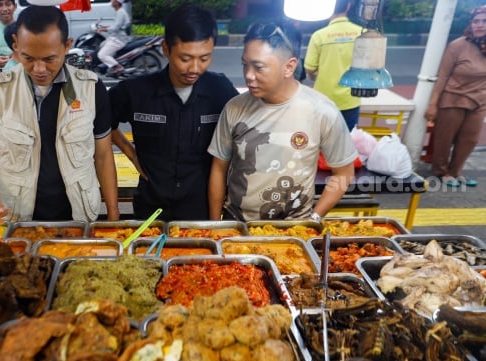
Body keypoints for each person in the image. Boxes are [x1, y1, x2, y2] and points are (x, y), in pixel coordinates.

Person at [0, 5, 119, 222]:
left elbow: (103, 157)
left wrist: (113, 217)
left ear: (67, 46)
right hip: (16, 218)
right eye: (28, 58)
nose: (39, 69)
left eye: (49, 59)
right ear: (16, 46)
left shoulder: (91, 89)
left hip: (79, 218)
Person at [208, 22, 358, 222]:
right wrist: (214, 226)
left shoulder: (322, 112)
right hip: (236, 225)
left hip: (293, 231)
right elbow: (219, 168)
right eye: (245, 64)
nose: (248, 76)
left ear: (289, 67)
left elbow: (344, 173)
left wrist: (313, 219)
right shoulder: (234, 108)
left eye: (258, 67)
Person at [108, 4, 239, 221]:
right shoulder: (135, 91)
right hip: (150, 208)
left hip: (200, 207)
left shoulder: (220, 90)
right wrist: (130, 153)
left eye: (205, 58)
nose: (195, 68)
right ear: (166, 49)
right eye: (185, 59)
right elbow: (102, 123)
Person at [424, 5, 486, 188]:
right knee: (445, 138)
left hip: (479, 101)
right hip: (453, 98)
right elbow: (442, 76)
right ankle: (441, 172)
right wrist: (433, 104)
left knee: (470, 139)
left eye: (484, 21)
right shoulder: (457, 46)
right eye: (476, 21)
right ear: (470, 23)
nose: (479, 25)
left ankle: (456, 171)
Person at [304, 0, 363, 131]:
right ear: (348, 7)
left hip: (323, 99)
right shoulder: (362, 33)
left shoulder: (319, 36)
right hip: (350, 99)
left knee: (320, 140)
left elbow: (309, 68)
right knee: (346, 143)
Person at [96, 0, 130, 75]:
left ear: (117, 3)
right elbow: (117, 26)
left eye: (113, 0)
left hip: (118, 39)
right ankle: (110, 66)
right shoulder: (120, 11)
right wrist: (105, 27)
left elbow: (115, 28)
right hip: (116, 37)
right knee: (102, 45)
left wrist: (103, 29)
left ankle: (118, 67)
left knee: (102, 55)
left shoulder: (121, 13)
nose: (111, 2)